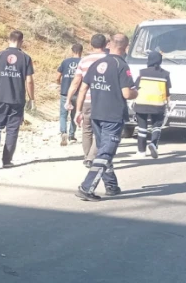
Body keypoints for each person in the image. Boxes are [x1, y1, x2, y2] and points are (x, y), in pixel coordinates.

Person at [75, 45, 138, 201]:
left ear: (110, 46)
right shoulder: (121, 65)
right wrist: (136, 92)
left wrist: (79, 110)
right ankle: (86, 188)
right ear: (126, 47)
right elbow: (127, 93)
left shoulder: (96, 64)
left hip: (96, 114)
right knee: (105, 153)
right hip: (113, 116)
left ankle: (111, 186)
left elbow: (83, 88)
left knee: (104, 150)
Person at [0, 30, 35, 168]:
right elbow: (29, 81)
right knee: (12, 130)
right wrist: (31, 99)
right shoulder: (26, 58)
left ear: (8, 40)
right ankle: (6, 161)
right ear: (21, 42)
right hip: (17, 100)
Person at [65, 34, 110, 168]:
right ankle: (91, 156)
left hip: (87, 100)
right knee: (101, 130)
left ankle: (87, 157)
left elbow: (76, 82)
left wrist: (68, 99)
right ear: (106, 45)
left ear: (91, 45)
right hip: (105, 101)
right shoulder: (111, 60)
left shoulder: (84, 61)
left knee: (87, 129)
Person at [133, 50, 171, 158]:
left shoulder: (142, 72)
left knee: (142, 128)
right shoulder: (165, 74)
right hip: (158, 104)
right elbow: (167, 91)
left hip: (141, 103)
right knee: (157, 126)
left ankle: (141, 151)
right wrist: (168, 103)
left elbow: (136, 87)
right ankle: (153, 144)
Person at [55, 43, 83, 145]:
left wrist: (60, 84)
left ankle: (63, 132)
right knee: (74, 114)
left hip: (65, 92)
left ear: (72, 51)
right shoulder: (83, 62)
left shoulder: (65, 62)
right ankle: (72, 135)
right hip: (78, 93)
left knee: (63, 114)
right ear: (81, 51)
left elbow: (57, 77)